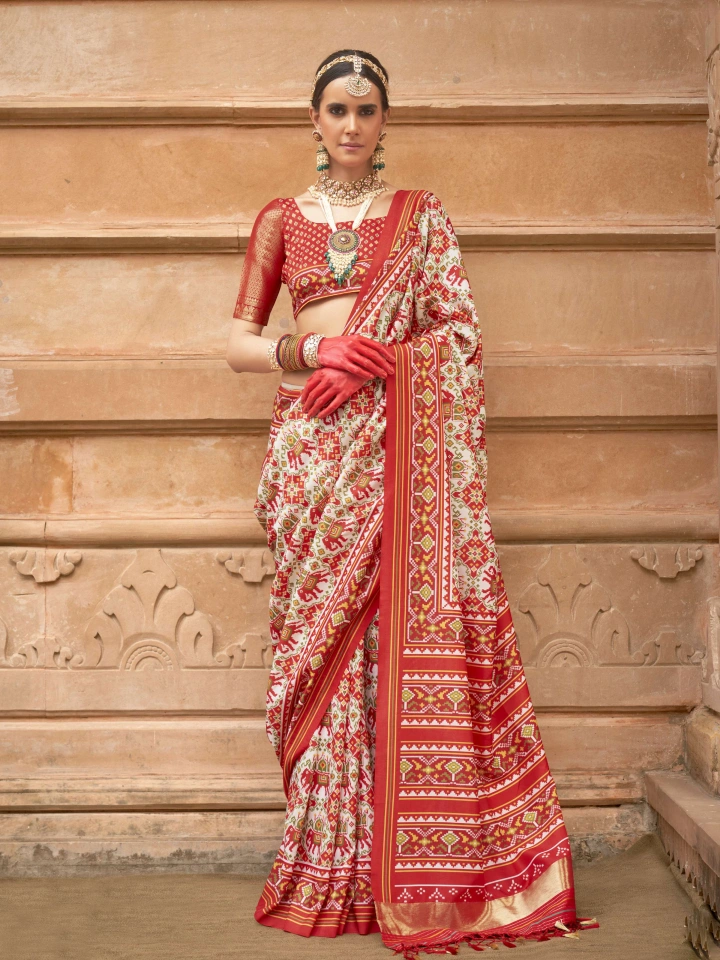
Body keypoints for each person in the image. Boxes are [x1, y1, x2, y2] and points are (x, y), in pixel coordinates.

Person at [225, 48, 598, 959]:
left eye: (367, 110)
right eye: (337, 109)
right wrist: (312, 354)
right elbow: (236, 340)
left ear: (385, 121)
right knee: (317, 653)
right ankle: (328, 857)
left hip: (395, 450)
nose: (351, 125)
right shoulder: (280, 219)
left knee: (387, 646)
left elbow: (458, 339)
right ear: (314, 121)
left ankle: (399, 864)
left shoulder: (420, 217)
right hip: (312, 454)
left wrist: (382, 363)